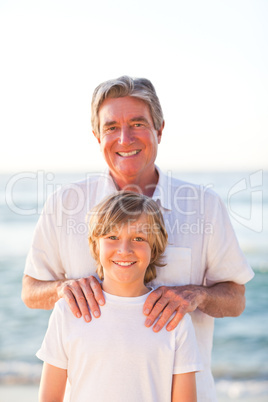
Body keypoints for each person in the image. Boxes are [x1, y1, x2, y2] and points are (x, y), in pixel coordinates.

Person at [22, 75, 254, 401]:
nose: (125, 138)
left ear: (159, 130)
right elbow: (31, 291)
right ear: (97, 136)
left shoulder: (204, 206)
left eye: (137, 124)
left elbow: (236, 297)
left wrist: (198, 296)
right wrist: (62, 289)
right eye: (111, 127)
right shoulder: (63, 206)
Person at [36, 191, 202, 402]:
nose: (125, 249)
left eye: (138, 238)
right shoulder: (68, 312)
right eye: (112, 237)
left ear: (155, 247)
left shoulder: (175, 321)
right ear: (95, 244)